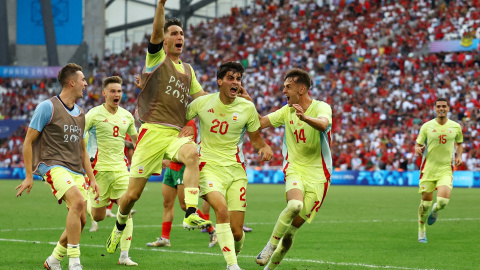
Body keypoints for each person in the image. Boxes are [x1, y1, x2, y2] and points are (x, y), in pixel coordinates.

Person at [106, 0, 211, 255]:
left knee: (192, 155)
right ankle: (119, 227)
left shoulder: (188, 70)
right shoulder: (156, 59)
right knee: (132, 196)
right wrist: (161, 5)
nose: (179, 37)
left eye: (182, 34)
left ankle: (190, 212)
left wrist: (231, 102)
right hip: (152, 132)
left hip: (175, 133)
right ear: (164, 41)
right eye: (174, 33)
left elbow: (202, 98)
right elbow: (154, 33)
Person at [240, 68, 332, 270]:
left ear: (302, 89)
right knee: (295, 206)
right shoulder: (287, 110)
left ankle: (269, 268)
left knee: (291, 233)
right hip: (295, 168)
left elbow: (324, 124)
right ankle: (269, 246)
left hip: (319, 177)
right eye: (283, 87)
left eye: (288, 87)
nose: (284, 91)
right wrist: (248, 104)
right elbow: (261, 122)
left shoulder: (321, 107)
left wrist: (305, 118)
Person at [187, 61, 273, 270]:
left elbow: (256, 139)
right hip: (208, 167)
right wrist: (187, 130)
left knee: (236, 232)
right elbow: (178, 120)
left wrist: (264, 147)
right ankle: (232, 265)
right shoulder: (202, 103)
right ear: (220, 81)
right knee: (221, 210)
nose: (235, 83)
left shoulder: (247, 107)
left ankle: (235, 249)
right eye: (231, 78)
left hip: (236, 171)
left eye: (238, 79)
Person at [15, 63, 99, 270]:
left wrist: (93, 179)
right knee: (78, 201)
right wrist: (28, 175)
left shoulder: (81, 113)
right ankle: (74, 262)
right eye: (82, 80)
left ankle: (53, 260)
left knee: (81, 221)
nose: (85, 85)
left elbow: (82, 151)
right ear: (72, 82)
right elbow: (28, 141)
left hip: (76, 169)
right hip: (52, 165)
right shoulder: (47, 107)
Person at [84, 76, 139, 265]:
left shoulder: (127, 116)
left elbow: (136, 141)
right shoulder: (93, 114)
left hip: (121, 171)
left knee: (127, 210)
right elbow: (80, 140)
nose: (117, 94)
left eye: (119, 91)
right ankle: (87, 202)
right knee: (98, 217)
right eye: (113, 91)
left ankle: (124, 256)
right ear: (104, 93)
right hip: (98, 172)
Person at [146, 120, 218, 248]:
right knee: (167, 203)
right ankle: (165, 238)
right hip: (170, 170)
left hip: (182, 168)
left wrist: (168, 158)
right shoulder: (168, 121)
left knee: (185, 205)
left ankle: (211, 230)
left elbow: (188, 150)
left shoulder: (188, 123)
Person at [414, 98, 463, 243]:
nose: (441, 108)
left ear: (448, 108)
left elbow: (459, 143)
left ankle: (435, 211)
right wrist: (417, 148)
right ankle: (421, 230)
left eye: (444, 106)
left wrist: (459, 155)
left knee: (442, 202)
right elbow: (418, 144)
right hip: (428, 169)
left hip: (445, 169)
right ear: (435, 108)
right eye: (439, 106)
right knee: (425, 204)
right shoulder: (427, 126)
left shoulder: (455, 126)